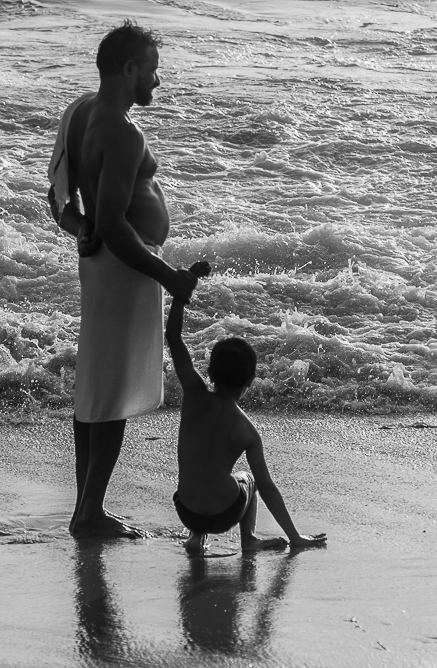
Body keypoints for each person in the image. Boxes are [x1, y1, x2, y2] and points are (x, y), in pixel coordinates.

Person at [46, 21, 199, 539]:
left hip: (101, 264)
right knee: (109, 398)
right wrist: (170, 277)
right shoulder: (122, 130)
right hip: (125, 267)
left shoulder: (78, 112)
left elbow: (59, 203)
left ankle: (85, 506)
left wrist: (80, 227)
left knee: (95, 391)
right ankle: (89, 513)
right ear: (129, 69)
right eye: (152, 71)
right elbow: (114, 224)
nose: (157, 83)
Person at [166, 262, 328, 553]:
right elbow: (266, 488)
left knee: (199, 473)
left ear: (210, 373)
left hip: (185, 509)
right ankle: (248, 541)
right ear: (251, 381)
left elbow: (174, 339)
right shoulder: (247, 430)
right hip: (224, 515)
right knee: (249, 478)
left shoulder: (194, 394)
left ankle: (194, 537)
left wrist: (181, 293)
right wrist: (295, 537)